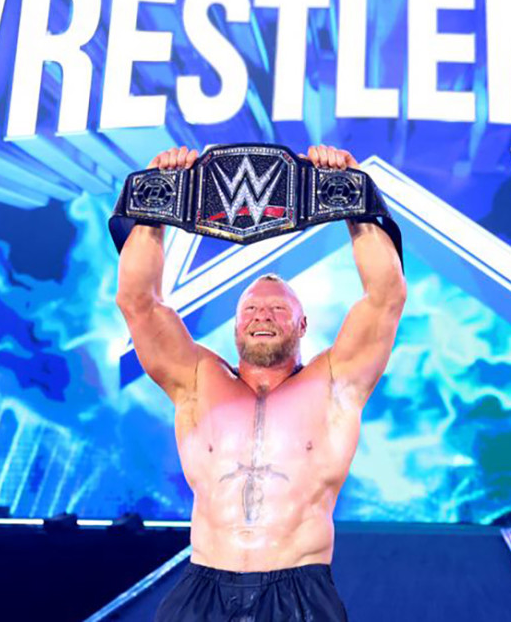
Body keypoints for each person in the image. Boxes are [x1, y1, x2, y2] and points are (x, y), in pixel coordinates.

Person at [116, 145, 406, 621]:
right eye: (250, 310)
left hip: (299, 592)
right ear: (235, 328)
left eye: (276, 309)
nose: (262, 317)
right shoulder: (196, 380)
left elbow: (386, 296)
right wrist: (154, 203)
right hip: (204, 586)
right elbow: (138, 302)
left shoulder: (335, 383)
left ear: (302, 324)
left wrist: (354, 195)